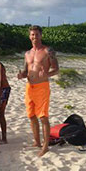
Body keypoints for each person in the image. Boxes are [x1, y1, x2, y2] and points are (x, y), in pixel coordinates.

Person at [17, 25, 59, 157]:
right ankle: (37, 141)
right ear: (29, 36)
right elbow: (25, 71)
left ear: (41, 35)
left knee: (43, 117)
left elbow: (56, 69)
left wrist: (47, 75)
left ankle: (45, 146)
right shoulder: (27, 53)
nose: (34, 37)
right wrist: (21, 75)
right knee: (31, 115)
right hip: (30, 87)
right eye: (32, 35)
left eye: (37, 34)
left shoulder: (48, 51)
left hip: (42, 87)